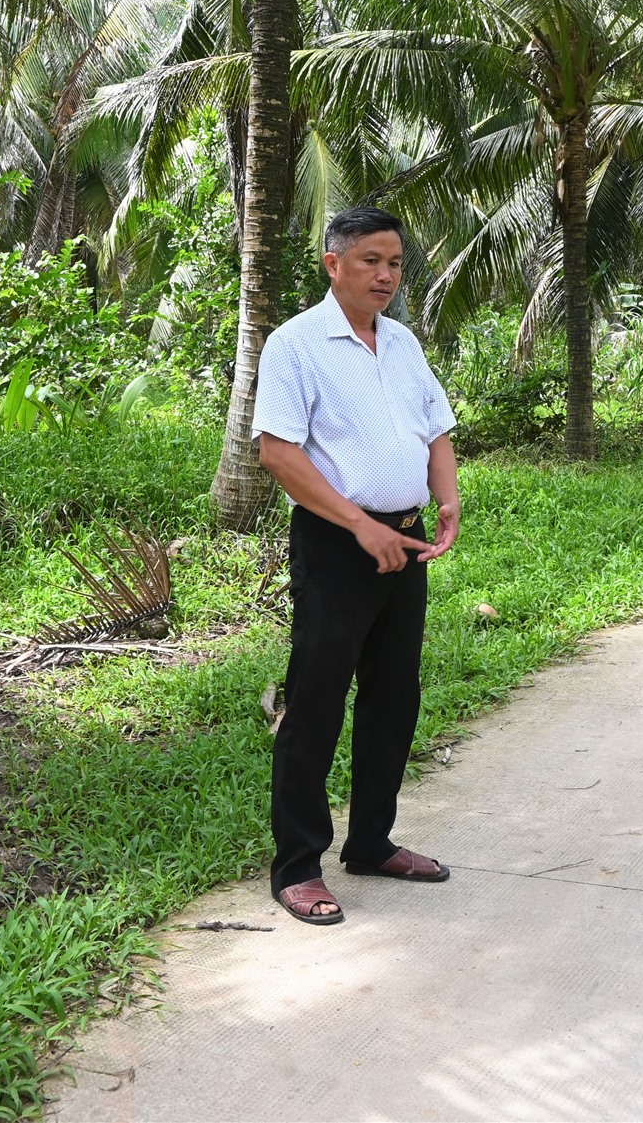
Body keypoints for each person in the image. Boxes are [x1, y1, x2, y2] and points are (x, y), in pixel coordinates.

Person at [251, 205, 461, 925]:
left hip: (404, 545)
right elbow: (279, 452)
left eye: (396, 262)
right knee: (316, 701)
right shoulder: (296, 344)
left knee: (393, 697)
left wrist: (449, 498)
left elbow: (435, 425)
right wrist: (358, 524)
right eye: (371, 260)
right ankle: (297, 864)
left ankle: (371, 841)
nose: (386, 275)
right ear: (332, 262)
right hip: (337, 547)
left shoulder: (401, 342)